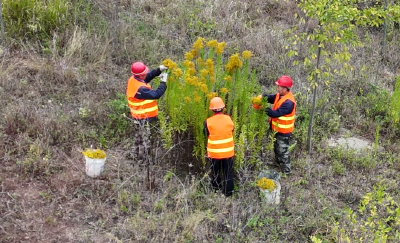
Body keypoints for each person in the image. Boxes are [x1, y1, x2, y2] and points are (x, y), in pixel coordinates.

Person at [126, 61, 168, 163]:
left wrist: (158, 70)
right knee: (144, 141)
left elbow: (146, 77)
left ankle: (134, 156)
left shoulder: (134, 79)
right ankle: (143, 162)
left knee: (138, 138)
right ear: (140, 75)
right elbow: (156, 94)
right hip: (143, 118)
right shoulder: (140, 89)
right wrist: (163, 82)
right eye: (144, 72)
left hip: (138, 116)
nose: (146, 74)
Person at [257, 75, 296, 175]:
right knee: (276, 148)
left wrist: (264, 108)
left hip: (284, 132)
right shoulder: (279, 95)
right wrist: (262, 98)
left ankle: (286, 171)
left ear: (285, 88)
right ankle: (279, 164)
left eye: (279, 86)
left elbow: (276, 113)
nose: (277, 88)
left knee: (282, 151)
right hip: (276, 129)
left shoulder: (289, 102)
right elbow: (270, 98)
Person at [204, 97, 235, 197]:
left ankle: (216, 190)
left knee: (215, 172)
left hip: (214, 153)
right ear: (223, 107)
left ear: (212, 109)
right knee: (228, 173)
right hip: (228, 153)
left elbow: (205, 133)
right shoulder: (228, 119)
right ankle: (228, 193)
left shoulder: (208, 121)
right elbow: (232, 129)